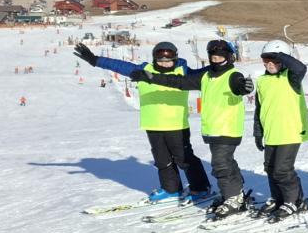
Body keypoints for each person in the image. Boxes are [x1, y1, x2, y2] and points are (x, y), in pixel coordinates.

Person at [129, 38, 255, 218]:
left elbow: (240, 86)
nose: (216, 60)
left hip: (227, 128)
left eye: (220, 57)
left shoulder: (232, 75)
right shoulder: (206, 76)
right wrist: (151, 77)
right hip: (212, 130)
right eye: (213, 57)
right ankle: (234, 194)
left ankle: (233, 198)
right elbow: (178, 81)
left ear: (229, 57)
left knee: (221, 165)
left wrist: (245, 87)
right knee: (226, 164)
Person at [73, 39, 212, 202]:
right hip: (152, 124)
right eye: (161, 60)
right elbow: (119, 65)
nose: (165, 64)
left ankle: (200, 187)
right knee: (162, 160)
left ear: (175, 59)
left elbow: (209, 72)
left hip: (176, 125)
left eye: (169, 61)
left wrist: (223, 61)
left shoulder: (184, 71)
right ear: (154, 59)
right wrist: (95, 60)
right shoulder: (143, 70)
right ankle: (171, 189)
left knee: (185, 159)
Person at [254, 40, 308, 221]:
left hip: (290, 132)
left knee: (282, 170)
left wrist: (281, 56)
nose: (270, 64)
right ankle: (279, 199)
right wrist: (258, 132)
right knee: (270, 168)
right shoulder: (262, 81)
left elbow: (301, 68)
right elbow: (259, 109)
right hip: (271, 133)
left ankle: (292, 201)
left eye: (275, 60)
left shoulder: (291, 77)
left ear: (284, 60)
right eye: (266, 60)